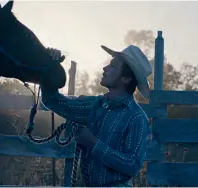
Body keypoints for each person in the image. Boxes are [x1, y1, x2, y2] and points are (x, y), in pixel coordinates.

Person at [40, 45, 152, 187]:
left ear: (125, 78)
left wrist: (92, 143)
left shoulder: (136, 118)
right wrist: (49, 65)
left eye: (112, 66)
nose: (105, 68)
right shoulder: (95, 105)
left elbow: (132, 165)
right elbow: (53, 101)